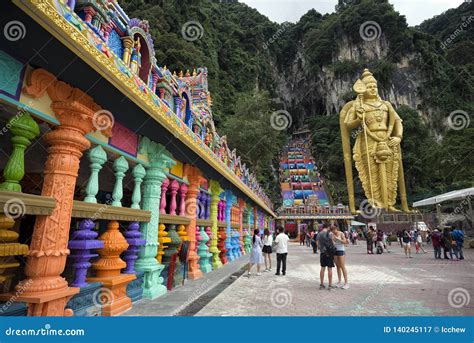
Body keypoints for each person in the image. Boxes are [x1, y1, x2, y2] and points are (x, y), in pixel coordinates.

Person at [318, 223, 336, 290]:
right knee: (329, 268)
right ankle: (330, 285)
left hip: (322, 253)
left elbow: (318, 244)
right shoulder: (330, 234)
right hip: (329, 253)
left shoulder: (319, 234)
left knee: (322, 268)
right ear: (328, 227)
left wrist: (321, 249)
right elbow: (333, 243)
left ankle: (322, 284)